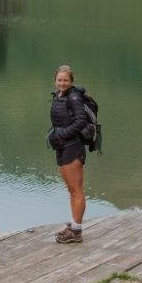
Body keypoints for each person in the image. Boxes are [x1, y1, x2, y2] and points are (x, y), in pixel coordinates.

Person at [47, 64, 88, 243]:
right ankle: (73, 225)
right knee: (71, 190)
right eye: (59, 80)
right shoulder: (58, 96)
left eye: (65, 80)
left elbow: (80, 121)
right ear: (55, 81)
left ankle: (77, 231)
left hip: (73, 146)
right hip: (62, 146)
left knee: (76, 189)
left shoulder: (74, 97)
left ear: (71, 81)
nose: (62, 83)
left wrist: (62, 134)